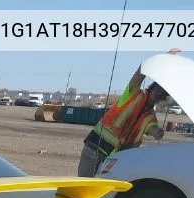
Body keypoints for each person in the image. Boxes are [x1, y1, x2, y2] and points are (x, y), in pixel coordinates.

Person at [77, 48, 180, 177]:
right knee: (84, 186)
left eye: (162, 95)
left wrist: (157, 132)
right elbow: (139, 74)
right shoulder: (132, 94)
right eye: (158, 91)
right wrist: (162, 60)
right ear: (150, 88)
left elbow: (151, 128)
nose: (158, 95)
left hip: (117, 159)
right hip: (96, 148)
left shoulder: (150, 117)